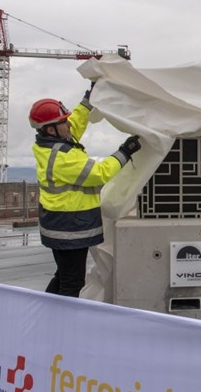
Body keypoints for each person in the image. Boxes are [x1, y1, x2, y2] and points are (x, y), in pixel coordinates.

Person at [29, 84, 142, 298]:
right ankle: (61, 324)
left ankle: (46, 314)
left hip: (61, 223)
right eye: (64, 122)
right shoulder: (62, 157)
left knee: (63, 276)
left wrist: (86, 102)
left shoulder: (52, 142)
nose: (69, 125)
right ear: (51, 129)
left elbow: (75, 123)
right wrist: (125, 152)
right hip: (68, 227)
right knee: (72, 282)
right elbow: (99, 172)